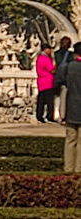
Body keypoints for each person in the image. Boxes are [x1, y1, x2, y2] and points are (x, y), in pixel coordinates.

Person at [54, 42, 81, 173]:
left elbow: (57, 84)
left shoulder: (67, 67)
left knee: (70, 140)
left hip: (70, 107)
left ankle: (69, 168)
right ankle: (79, 168)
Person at [36, 43, 56, 122]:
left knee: (41, 101)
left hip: (41, 82)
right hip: (47, 82)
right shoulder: (45, 59)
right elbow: (51, 69)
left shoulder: (39, 58)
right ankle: (49, 115)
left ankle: (39, 115)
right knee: (49, 101)